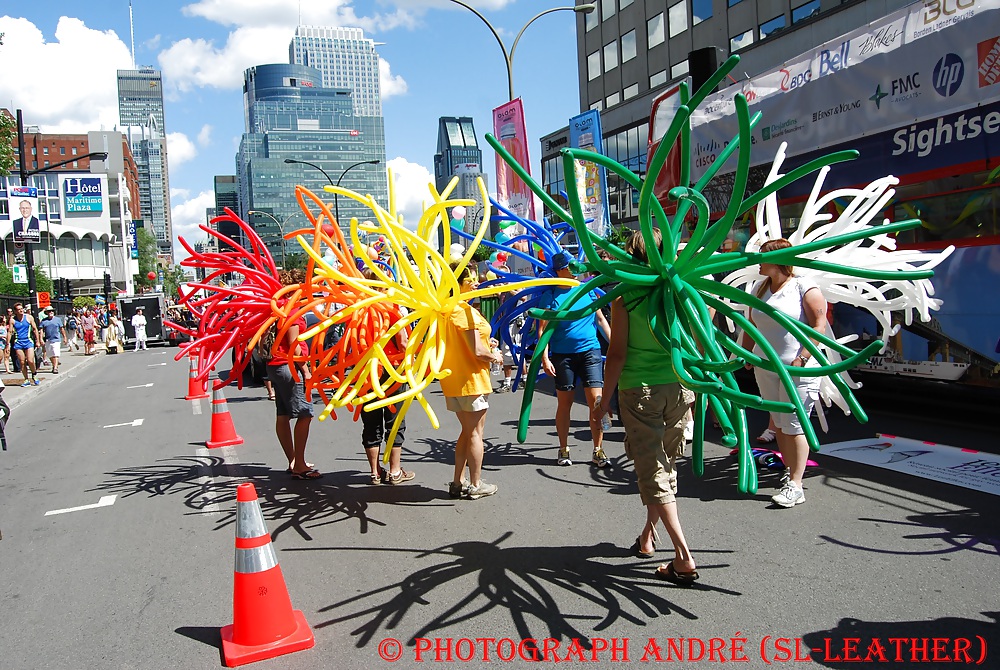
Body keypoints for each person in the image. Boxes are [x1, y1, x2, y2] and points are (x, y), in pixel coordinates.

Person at [594, 229, 698, 585]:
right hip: (680, 386)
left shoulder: (627, 295)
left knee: (654, 471)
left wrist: (602, 400)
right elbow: (699, 338)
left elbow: (617, 352)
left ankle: (683, 556)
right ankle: (647, 537)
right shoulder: (683, 288)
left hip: (640, 390)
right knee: (663, 467)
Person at [742, 238, 828, 508]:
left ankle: (796, 484)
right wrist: (745, 353)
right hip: (766, 366)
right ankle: (791, 474)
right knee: (779, 423)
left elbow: (819, 326)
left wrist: (802, 357)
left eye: (761, 256)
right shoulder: (760, 287)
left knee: (794, 423)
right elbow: (751, 323)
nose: (757, 260)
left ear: (777, 260)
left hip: (797, 368)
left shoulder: (804, 286)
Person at [538, 251, 613, 468]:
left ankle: (598, 450)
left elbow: (600, 320)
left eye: (575, 266)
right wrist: (544, 356)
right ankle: (563, 448)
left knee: (596, 403)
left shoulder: (586, 290)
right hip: (563, 354)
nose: (574, 270)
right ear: (560, 269)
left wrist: (616, 344)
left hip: (590, 351)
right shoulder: (550, 295)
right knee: (565, 403)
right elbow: (541, 329)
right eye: (570, 266)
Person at [441, 263, 504, 500]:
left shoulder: (446, 310)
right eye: (471, 279)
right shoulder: (463, 311)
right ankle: (476, 485)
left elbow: (466, 344)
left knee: (467, 433)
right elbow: (477, 351)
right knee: (476, 433)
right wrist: (494, 355)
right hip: (471, 380)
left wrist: (489, 345)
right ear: (458, 283)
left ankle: (458, 481)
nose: (476, 283)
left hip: (454, 380)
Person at [358, 269, 414, 486]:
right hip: (391, 370)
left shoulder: (359, 311)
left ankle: (374, 472)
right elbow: (402, 342)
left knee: (371, 423)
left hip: (364, 373)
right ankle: (395, 470)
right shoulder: (392, 310)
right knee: (395, 421)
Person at [267, 272, 319, 480]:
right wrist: (306, 372)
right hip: (289, 367)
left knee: (283, 415)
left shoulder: (277, 307)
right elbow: (295, 347)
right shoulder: (293, 311)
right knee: (305, 413)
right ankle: (299, 464)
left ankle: (294, 460)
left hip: (275, 365)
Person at [7, 303, 41, 387]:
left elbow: (35, 329)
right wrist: (7, 344)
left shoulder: (29, 317)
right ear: (15, 311)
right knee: (22, 362)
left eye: (21, 308)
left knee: (30, 360)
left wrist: (38, 341)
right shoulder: (13, 320)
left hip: (28, 341)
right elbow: (10, 332)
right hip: (18, 342)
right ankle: (26, 379)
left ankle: (34, 374)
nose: (21, 310)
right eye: (19, 309)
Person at [39, 307, 66, 374]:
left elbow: (61, 329)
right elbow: (41, 331)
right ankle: (54, 365)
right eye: (49, 311)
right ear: (47, 313)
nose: (51, 312)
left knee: (56, 353)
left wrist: (65, 337)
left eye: (52, 311)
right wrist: (41, 339)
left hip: (56, 339)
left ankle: (55, 368)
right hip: (48, 339)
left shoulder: (58, 320)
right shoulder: (44, 321)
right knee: (50, 354)